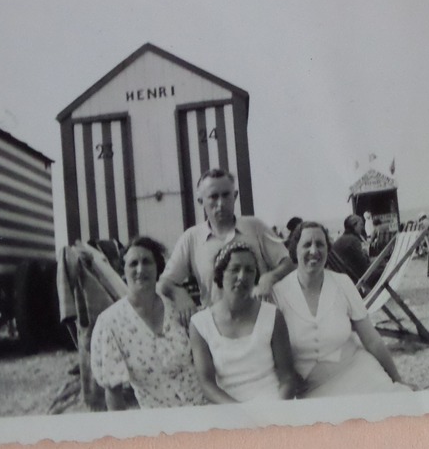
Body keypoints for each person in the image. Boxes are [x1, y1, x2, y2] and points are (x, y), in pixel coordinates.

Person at [273, 222, 412, 398]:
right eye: (307, 244)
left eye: (320, 244)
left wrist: (397, 380)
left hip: (360, 372)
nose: (314, 251)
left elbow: (372, 340)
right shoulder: (278, 293)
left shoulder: (342, 283)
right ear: (295, 250)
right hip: (314, 390)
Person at [158, 167, 294, 319]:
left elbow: (288, 262)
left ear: (235, 196)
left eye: (226, 195)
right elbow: (165, 283)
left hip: (259, 320)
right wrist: (180, 295)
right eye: (213, 197)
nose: (221, 203)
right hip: (217, 327)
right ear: (200, 201)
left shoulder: (256, 227)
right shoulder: (191, 238)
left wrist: (270, 277)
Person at [90, 236, 206, 410]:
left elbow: (205, 366)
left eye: (147, 262)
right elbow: (113, 393)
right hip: (158, 422)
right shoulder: (110, 323)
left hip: (202, 408)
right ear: (123, 271)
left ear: (157, 268)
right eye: (133, 263)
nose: (140, 269)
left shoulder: (178, 308)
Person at [189, 243, 296, 403]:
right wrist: (242, 415)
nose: (242, 276)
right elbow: (207, 384)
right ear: (221, 274)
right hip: (227, 409)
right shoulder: (200, 324)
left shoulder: (272, 315)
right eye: (235, 269)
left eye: (249, 270)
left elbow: (287, 376)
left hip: (272, 406)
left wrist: (275, 412)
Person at [327, 213, 369, 283]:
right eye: (361, 225)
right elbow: (363, 264)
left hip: (344, 276)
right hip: (355, 277)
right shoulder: (353, 240)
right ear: (354, 226)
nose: (363, 228)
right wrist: (365, 253)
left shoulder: (341, 239)